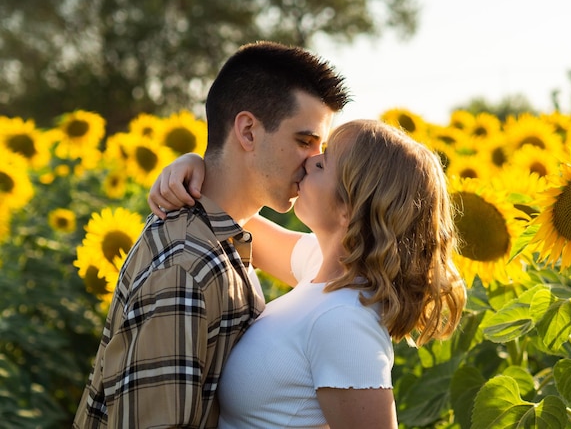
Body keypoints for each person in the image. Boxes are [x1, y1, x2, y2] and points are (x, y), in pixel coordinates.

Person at [73, 41, 350, 428]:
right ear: (248, 131)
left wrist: (194, 166)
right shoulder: (187, 268)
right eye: (304, 141)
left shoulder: (224, 237)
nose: (313, 161)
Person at [149, 119, 467, 428]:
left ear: (350, 207)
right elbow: (234, 221)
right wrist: (196, 166)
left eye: (323, 163)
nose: (308, 161)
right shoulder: (320, 266)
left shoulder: (344, 321)